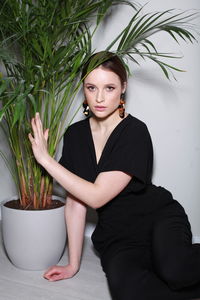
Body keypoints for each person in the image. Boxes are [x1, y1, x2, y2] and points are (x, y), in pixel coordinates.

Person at [29, 51, 200, 300]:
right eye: (91, 87)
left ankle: (168, 261)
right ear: (83, 88)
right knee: (127, 292)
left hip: (157, 218)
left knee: (175, 270)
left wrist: (45, 160)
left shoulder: (135, 132)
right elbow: (76, 204)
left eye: (109, 88)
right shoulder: (75, 135)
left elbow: (96, 197)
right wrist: (73, 264)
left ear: (123, 88)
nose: (99, 97)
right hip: (117, 235)